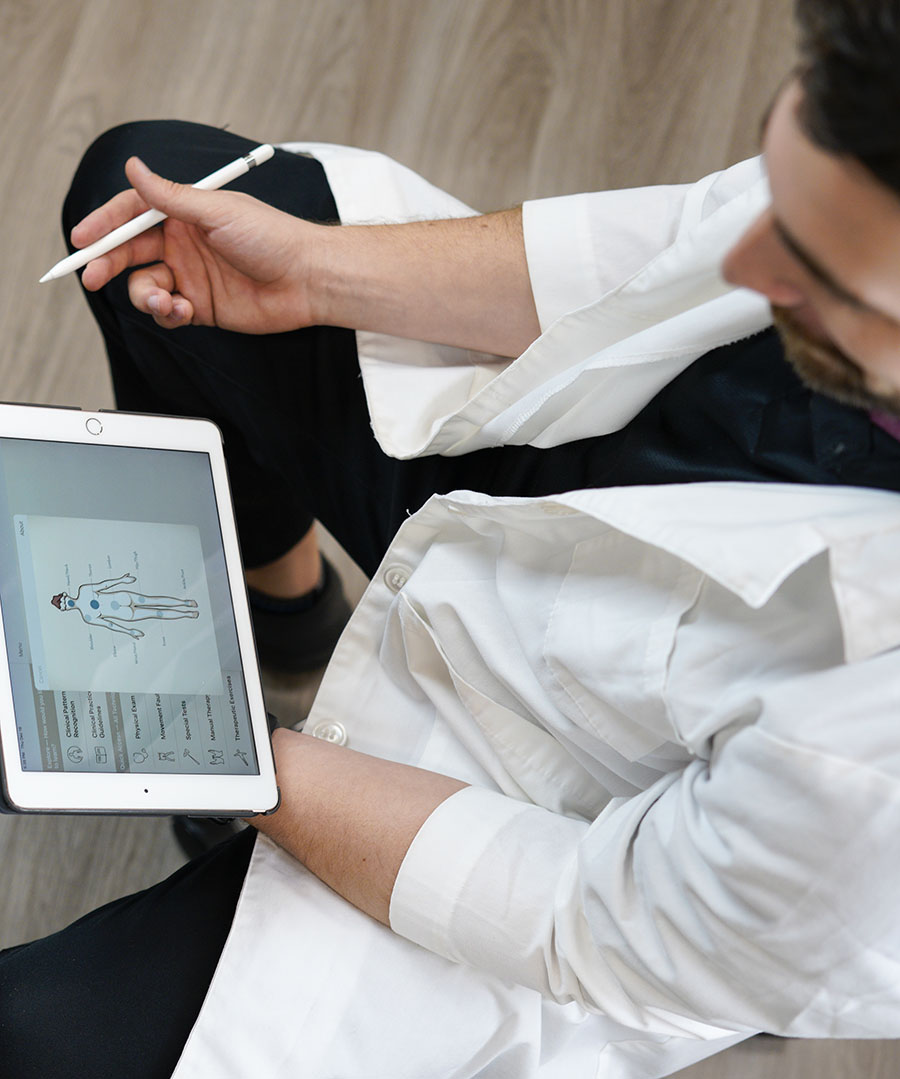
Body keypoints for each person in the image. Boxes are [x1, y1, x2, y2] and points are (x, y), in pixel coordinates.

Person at [4, 2, 900, 1076]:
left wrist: (231, 754)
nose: (743, 265)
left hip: (587, 789)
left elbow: (584, 916)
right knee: (131, 207)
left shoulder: (871, 763)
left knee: (43, 1034)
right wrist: (312, 271)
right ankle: (290, 619)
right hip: (601, 438)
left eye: (814, 266)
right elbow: (668, 253)